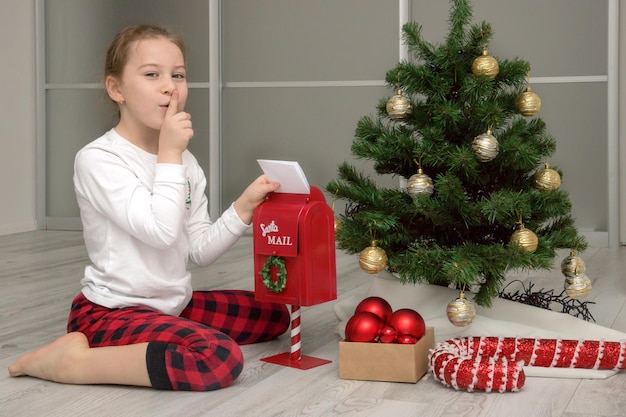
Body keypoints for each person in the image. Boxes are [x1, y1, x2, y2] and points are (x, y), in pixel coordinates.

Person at [8, 24, 290, 391]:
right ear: (116, 89)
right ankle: (74, 362)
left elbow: (198, 251)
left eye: (178, 75)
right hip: (110, 313)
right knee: (217, 358)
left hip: (170, 305)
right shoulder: (99, 159)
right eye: (152, 74)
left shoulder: (185, 162)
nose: (170, 87)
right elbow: (160, 232)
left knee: (273, 314)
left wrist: (243, 207)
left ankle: (168, 333)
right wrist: (169, 152)